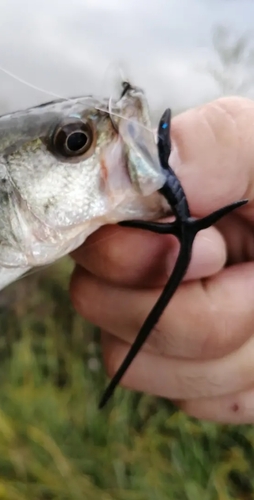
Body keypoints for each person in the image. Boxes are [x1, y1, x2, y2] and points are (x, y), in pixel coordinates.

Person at [69, 96, 254, 425]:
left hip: (187, 228)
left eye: (161, 131)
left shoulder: (162, 162)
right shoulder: (160, 167)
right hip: (187, 229)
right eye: (163, 130)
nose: (161, 130)